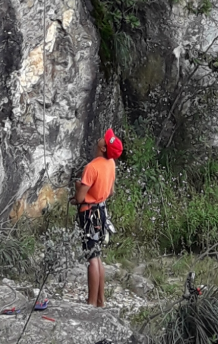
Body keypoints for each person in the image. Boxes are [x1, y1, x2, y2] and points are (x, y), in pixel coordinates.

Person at [74, 127, 123, 307]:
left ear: (103, 148)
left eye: (105, 139)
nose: (102, 138)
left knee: (92, 257)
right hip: (101, 212)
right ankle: (101, 300)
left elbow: (80, 198)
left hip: (88, 214)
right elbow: (110, 191)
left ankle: (91, 302)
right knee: (97, 255)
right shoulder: (111, 164)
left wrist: (78, 187)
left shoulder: (91, 167)